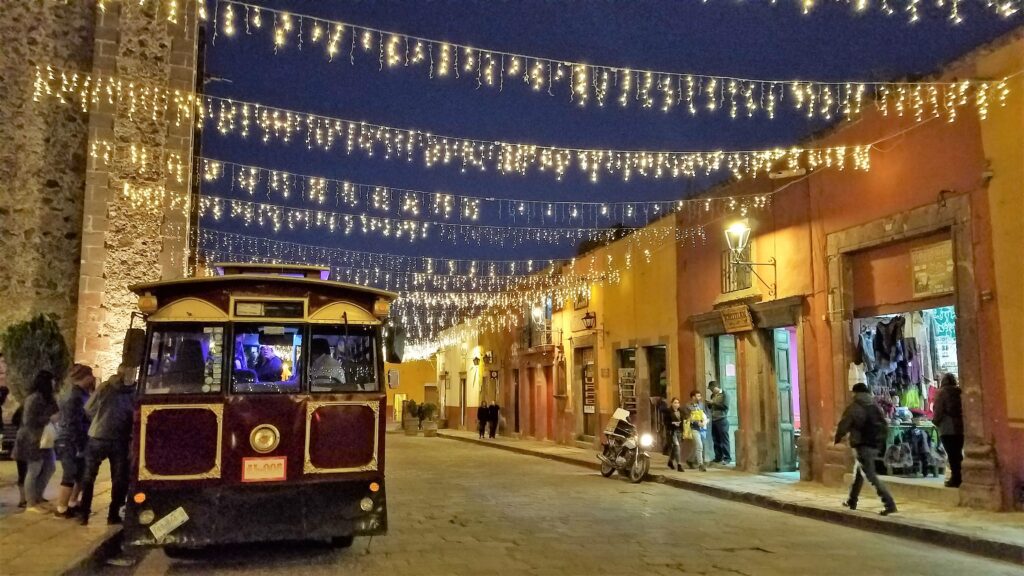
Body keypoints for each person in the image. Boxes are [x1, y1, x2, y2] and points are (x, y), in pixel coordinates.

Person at [78, 364, 136, 526]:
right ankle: (113, 515)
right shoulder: (134, 392)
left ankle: (84, 514)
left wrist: (99, 420)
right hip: (120, 438)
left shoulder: (105, 387)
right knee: (118, 478)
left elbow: (89, 407)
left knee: (89, 477)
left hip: (98, 435)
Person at [835, 382, 897, 516]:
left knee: (871, 476)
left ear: (855, 393)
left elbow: (844, 424)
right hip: (875, 445)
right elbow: (884, 425)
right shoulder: (875, 406)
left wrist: (838, 437)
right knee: (859, 473)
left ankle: (889, 503)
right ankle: (852, 500)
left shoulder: (855, 407)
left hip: (862, 444)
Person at [14, 370, 60, 513]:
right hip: (32, 439)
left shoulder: (49, 398)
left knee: (50, 467)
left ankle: (38, 497)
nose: (54, 383)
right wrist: (49, 418)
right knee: (33, 470)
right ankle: (31, 503)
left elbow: (56, 411)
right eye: (52, 380)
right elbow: (28, 421)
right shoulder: (33, 399)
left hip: (46, 439)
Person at [54, 364, 95, 518]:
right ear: (84, 377)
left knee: (81, 473)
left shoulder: (80, 393)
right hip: (70, 439)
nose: (92, 378)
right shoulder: (74, 396)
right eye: (90, 375)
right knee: (70, 473)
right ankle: (61, 509)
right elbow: (73, 422)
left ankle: (72, 503)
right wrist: (79, 445)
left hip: (77, 438)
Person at [931, 373, 964, 488]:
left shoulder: (941, 393)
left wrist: (935, 421)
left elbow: (938, 410)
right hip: (960, 427)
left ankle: (956, 478)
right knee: (958, 453)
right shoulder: (959, 391)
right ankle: (960, 477)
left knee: (952, 454)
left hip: (947, 427)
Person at [707, 381, 731, 464]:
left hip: (722, 419)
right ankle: (718, 457)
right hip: (714, 420)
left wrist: (714, 403)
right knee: (716, 440)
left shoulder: (725, 394)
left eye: (711, 389)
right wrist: (709, 404)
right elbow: (712, 408)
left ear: (716, 387)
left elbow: (725, 406)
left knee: (724, 439)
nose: (711, 391)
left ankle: (727, 458)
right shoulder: (713, 396)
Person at [684, 390, 708, 471]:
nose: (699, 398)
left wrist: (705, 421)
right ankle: (701, 464)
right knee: (699, 445)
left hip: (703, 428)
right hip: (694, 428)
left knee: (698, 446)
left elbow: (706, 415)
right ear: (693, 397)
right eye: (698, 396)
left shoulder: (702, 405)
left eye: (700, 396)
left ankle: (690, 460)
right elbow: (688, 418)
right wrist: (697, 423)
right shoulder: (688, 406)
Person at [665, 398, 685, 472]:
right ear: (672, 403)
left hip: (679, 431)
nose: (676, 404)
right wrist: (673, 423)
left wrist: (683, 431)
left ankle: (670, 461)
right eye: (675, 402)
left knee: (674, 448)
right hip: (671, 431)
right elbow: (665, 422)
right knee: (677, 446)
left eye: (678, 403)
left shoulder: (681, 411)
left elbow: (683, 421)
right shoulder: (668, 411)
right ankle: (679, 464)